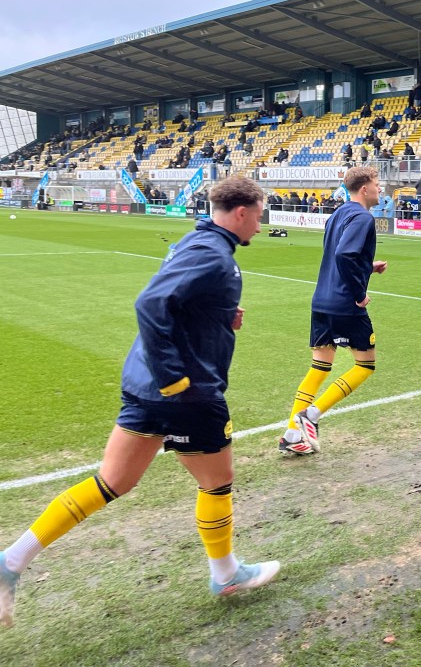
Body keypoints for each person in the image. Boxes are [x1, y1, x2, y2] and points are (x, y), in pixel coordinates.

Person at [0, 177, 278, 627]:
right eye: (259, 216)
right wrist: (173, 380)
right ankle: (226, 574)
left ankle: (11, 561)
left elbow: (178, 305)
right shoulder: (212, 252)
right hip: (186, 393)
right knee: (217, 482)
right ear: (242, 212)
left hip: (145, 386)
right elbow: (150, 303)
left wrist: (218, 316)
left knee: (112, 481)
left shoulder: (199, 243)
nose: (260, 227)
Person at [279, 167, 387, 455]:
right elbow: (344, 254)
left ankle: (292, 434)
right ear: (364, 188)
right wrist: (359, 294)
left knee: (319, 367)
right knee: (365, 365)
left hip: (322, 301)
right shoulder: (363, 217)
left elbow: (339, 256)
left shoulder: (337, 214)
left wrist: (367, 267)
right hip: (345, 304)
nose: (380, 189)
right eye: (377, 184)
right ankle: (311, 415)